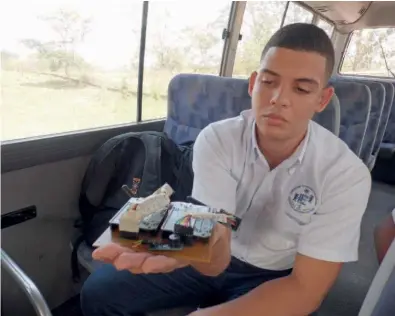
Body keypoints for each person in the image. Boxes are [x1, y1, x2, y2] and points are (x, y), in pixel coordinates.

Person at [80, 23, 372, 316]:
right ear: (253, 83)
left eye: (301, 89)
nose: (279, 98)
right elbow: (217, 245)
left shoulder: (345, 174)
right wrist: (198, 246)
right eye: (269, 82)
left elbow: (306, 289)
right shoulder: (217, 139)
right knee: (99, 293)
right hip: (215, 255)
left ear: (321, 99)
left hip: (276, 274)